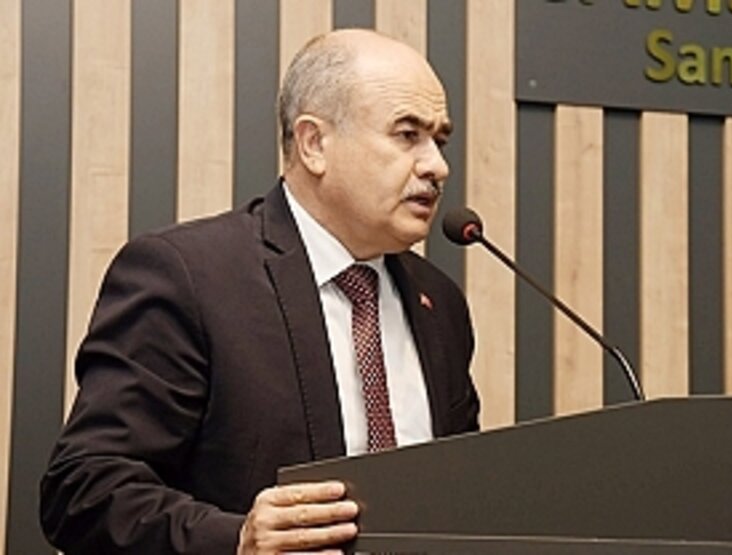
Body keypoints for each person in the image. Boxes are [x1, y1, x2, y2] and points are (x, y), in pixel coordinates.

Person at [40, 29, 479, 554]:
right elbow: (84, 489)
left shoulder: (439, 303)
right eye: (408, 135)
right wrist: (235, 541)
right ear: (314, 144)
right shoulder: (189, 276)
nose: (437, 166)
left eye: (440, 141)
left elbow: (463, 489)